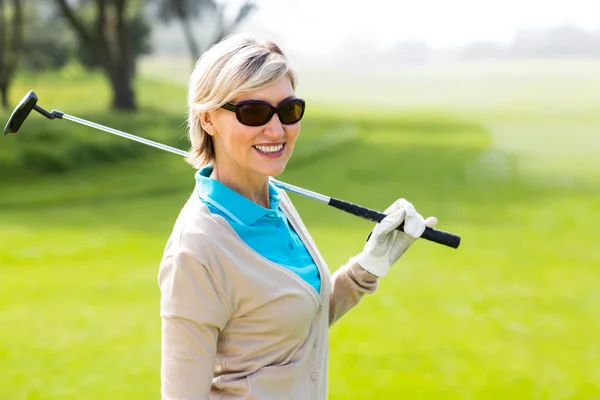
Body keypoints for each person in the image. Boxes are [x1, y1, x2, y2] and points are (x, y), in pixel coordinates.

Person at [158, 33, 438, 400]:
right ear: (209, 119)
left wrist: (366, 267)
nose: (276, 130)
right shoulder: (195, 252)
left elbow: (293, 326)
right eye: (254, 112)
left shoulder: (275, 199)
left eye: (288, 110)